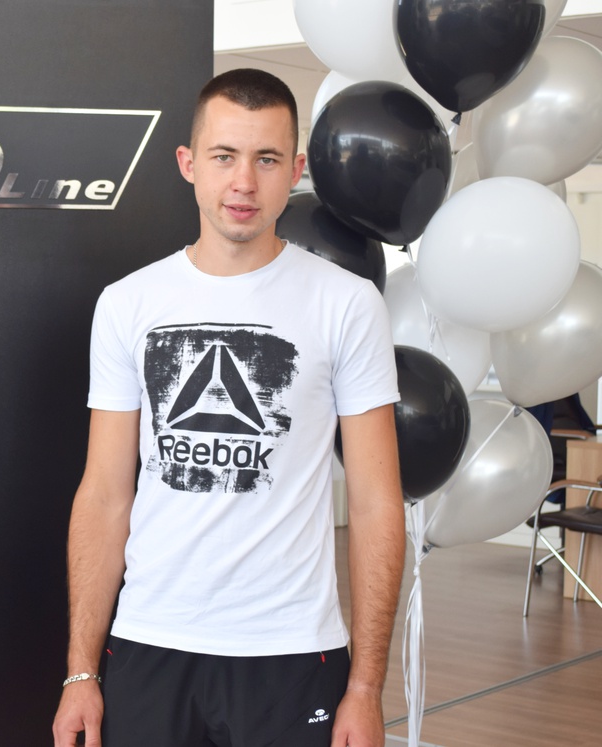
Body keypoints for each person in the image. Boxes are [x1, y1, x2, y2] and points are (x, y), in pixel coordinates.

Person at [51, 69, 406, 747]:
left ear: (295, 171)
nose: (244, 182)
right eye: (224, 156)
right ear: (189, 164)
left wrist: (365, 687)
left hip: (293, 652)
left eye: (266, 159)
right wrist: (80, 671)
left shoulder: (347, 303)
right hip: (150, 641)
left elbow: (375, 504)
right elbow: (103, 494)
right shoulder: (127, 304)